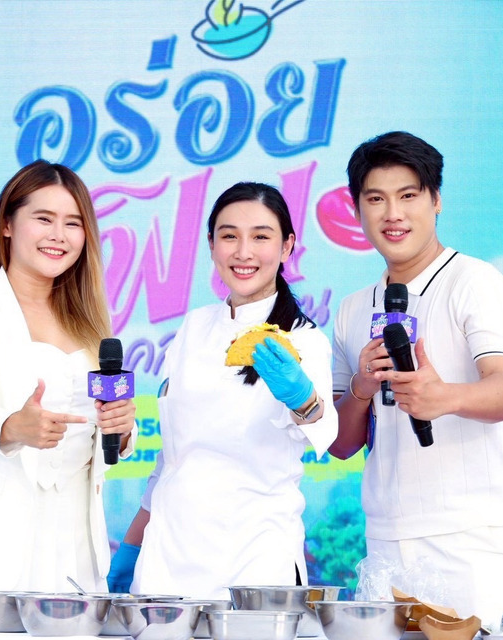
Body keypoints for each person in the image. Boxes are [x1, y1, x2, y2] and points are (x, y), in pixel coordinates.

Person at [329, 131, 503, 629]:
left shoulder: (476, 282)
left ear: (436, 200)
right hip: (386, 537)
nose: (393, 214)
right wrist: (361, 388)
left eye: (408, 196)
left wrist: (443, 397)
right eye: (376, 199)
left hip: (472, 536)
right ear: (357, 210)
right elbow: (340, 443)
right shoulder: (352, 309)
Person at [0, 160, 137, 593]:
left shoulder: (94, 325)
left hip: (75, 542)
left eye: (73, 223)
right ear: (7, 225)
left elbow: (105, 424)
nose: (59, 235)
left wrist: (123, 429)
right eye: (44, 219)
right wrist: (13, 425)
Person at [107, 182, 338, 598]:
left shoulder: (303, 341)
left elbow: (324, 430)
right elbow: (173, 458)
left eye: (261, 237)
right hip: (167, 557)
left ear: (287, 247)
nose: (243, 252)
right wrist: (133, 542)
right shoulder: (194, 327)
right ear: (211, 245)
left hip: (254, 558)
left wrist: (303, 399)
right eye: (229, 236)